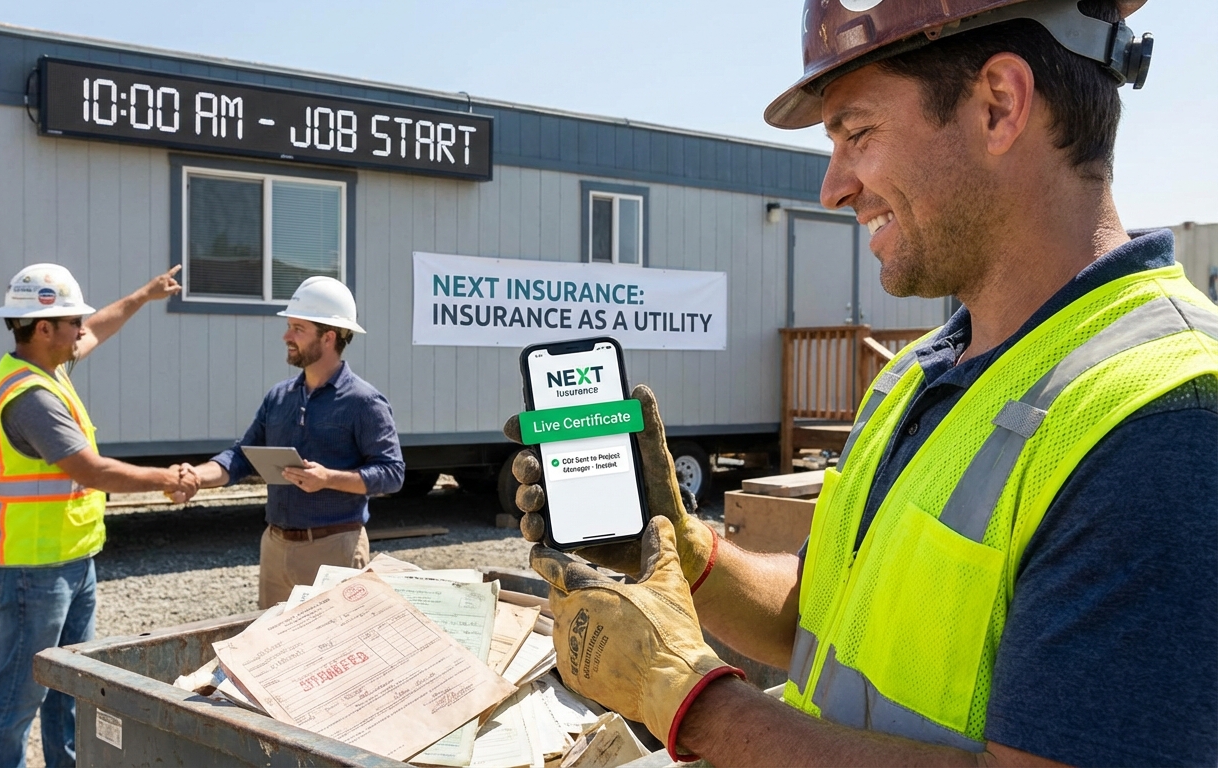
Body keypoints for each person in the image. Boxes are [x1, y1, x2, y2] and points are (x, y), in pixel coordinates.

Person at [507, 2, 1218, 765]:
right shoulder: (922, 374)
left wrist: (691, 700)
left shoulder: (1164, 422)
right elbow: (829, 610)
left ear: (999, 105)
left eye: (857, 133)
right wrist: (687, 551)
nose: (833, 188)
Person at [0, 263, 199, 767]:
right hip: (33, 569)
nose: (83, 327)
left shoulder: (46, 368)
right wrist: (167, 478)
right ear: (43, 328)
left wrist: (144, 293)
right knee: (17, 700)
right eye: (73, 320)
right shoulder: (31, 397)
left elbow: (98, 327)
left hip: (72, 560)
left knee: (71, 688)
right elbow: (91, 470)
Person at [186, 276, 404, 608]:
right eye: (289, 326)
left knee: (333, 647)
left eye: (298, 329)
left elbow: (392, 473)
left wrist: (328, 478)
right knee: (272, 650)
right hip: (275, 546)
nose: (286, 336)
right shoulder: (278, 397)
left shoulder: (364, 402)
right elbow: (241, 456)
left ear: (328, 337)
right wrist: (197, 477)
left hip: (335, 549)